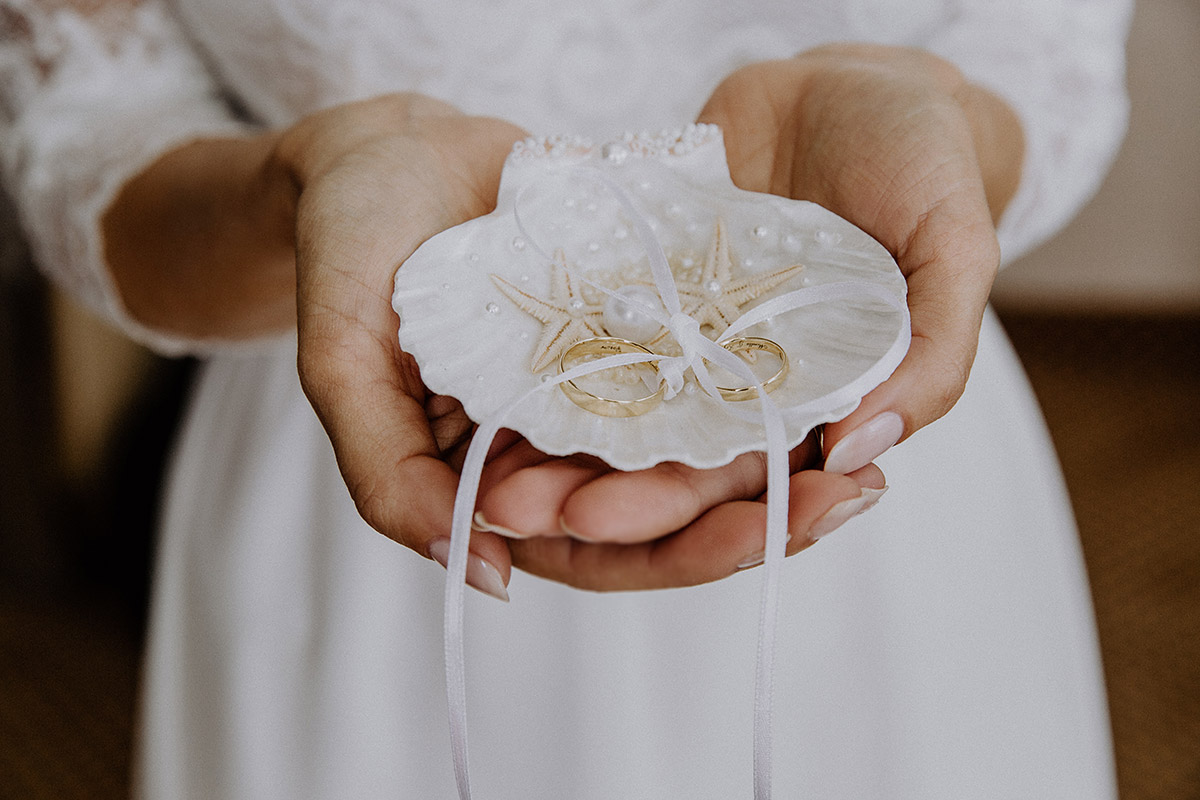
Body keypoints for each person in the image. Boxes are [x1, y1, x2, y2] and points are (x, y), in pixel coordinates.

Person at [1, 0, 1131, 797]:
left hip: (842, 399)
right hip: (385, 410)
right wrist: (298, 180)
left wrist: (943, 120)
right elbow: (92, 129)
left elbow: (1044, 47)